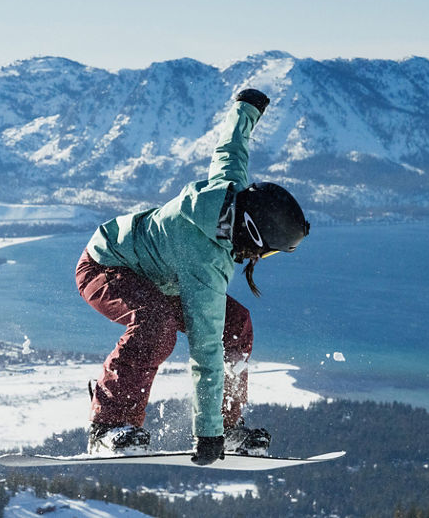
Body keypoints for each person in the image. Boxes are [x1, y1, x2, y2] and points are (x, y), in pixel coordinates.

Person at [75, 88, 310, 466]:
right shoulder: (207, 264)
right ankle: (107, 426)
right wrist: (207, 432)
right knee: (157, 323)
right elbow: (205, 352)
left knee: (237, 323)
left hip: (163, 276)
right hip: (106, 264)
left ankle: (231, 424)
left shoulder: (230, 194)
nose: (262, 258)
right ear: (251, 237)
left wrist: (246, 108)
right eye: (267, 251)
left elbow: (231, 149)